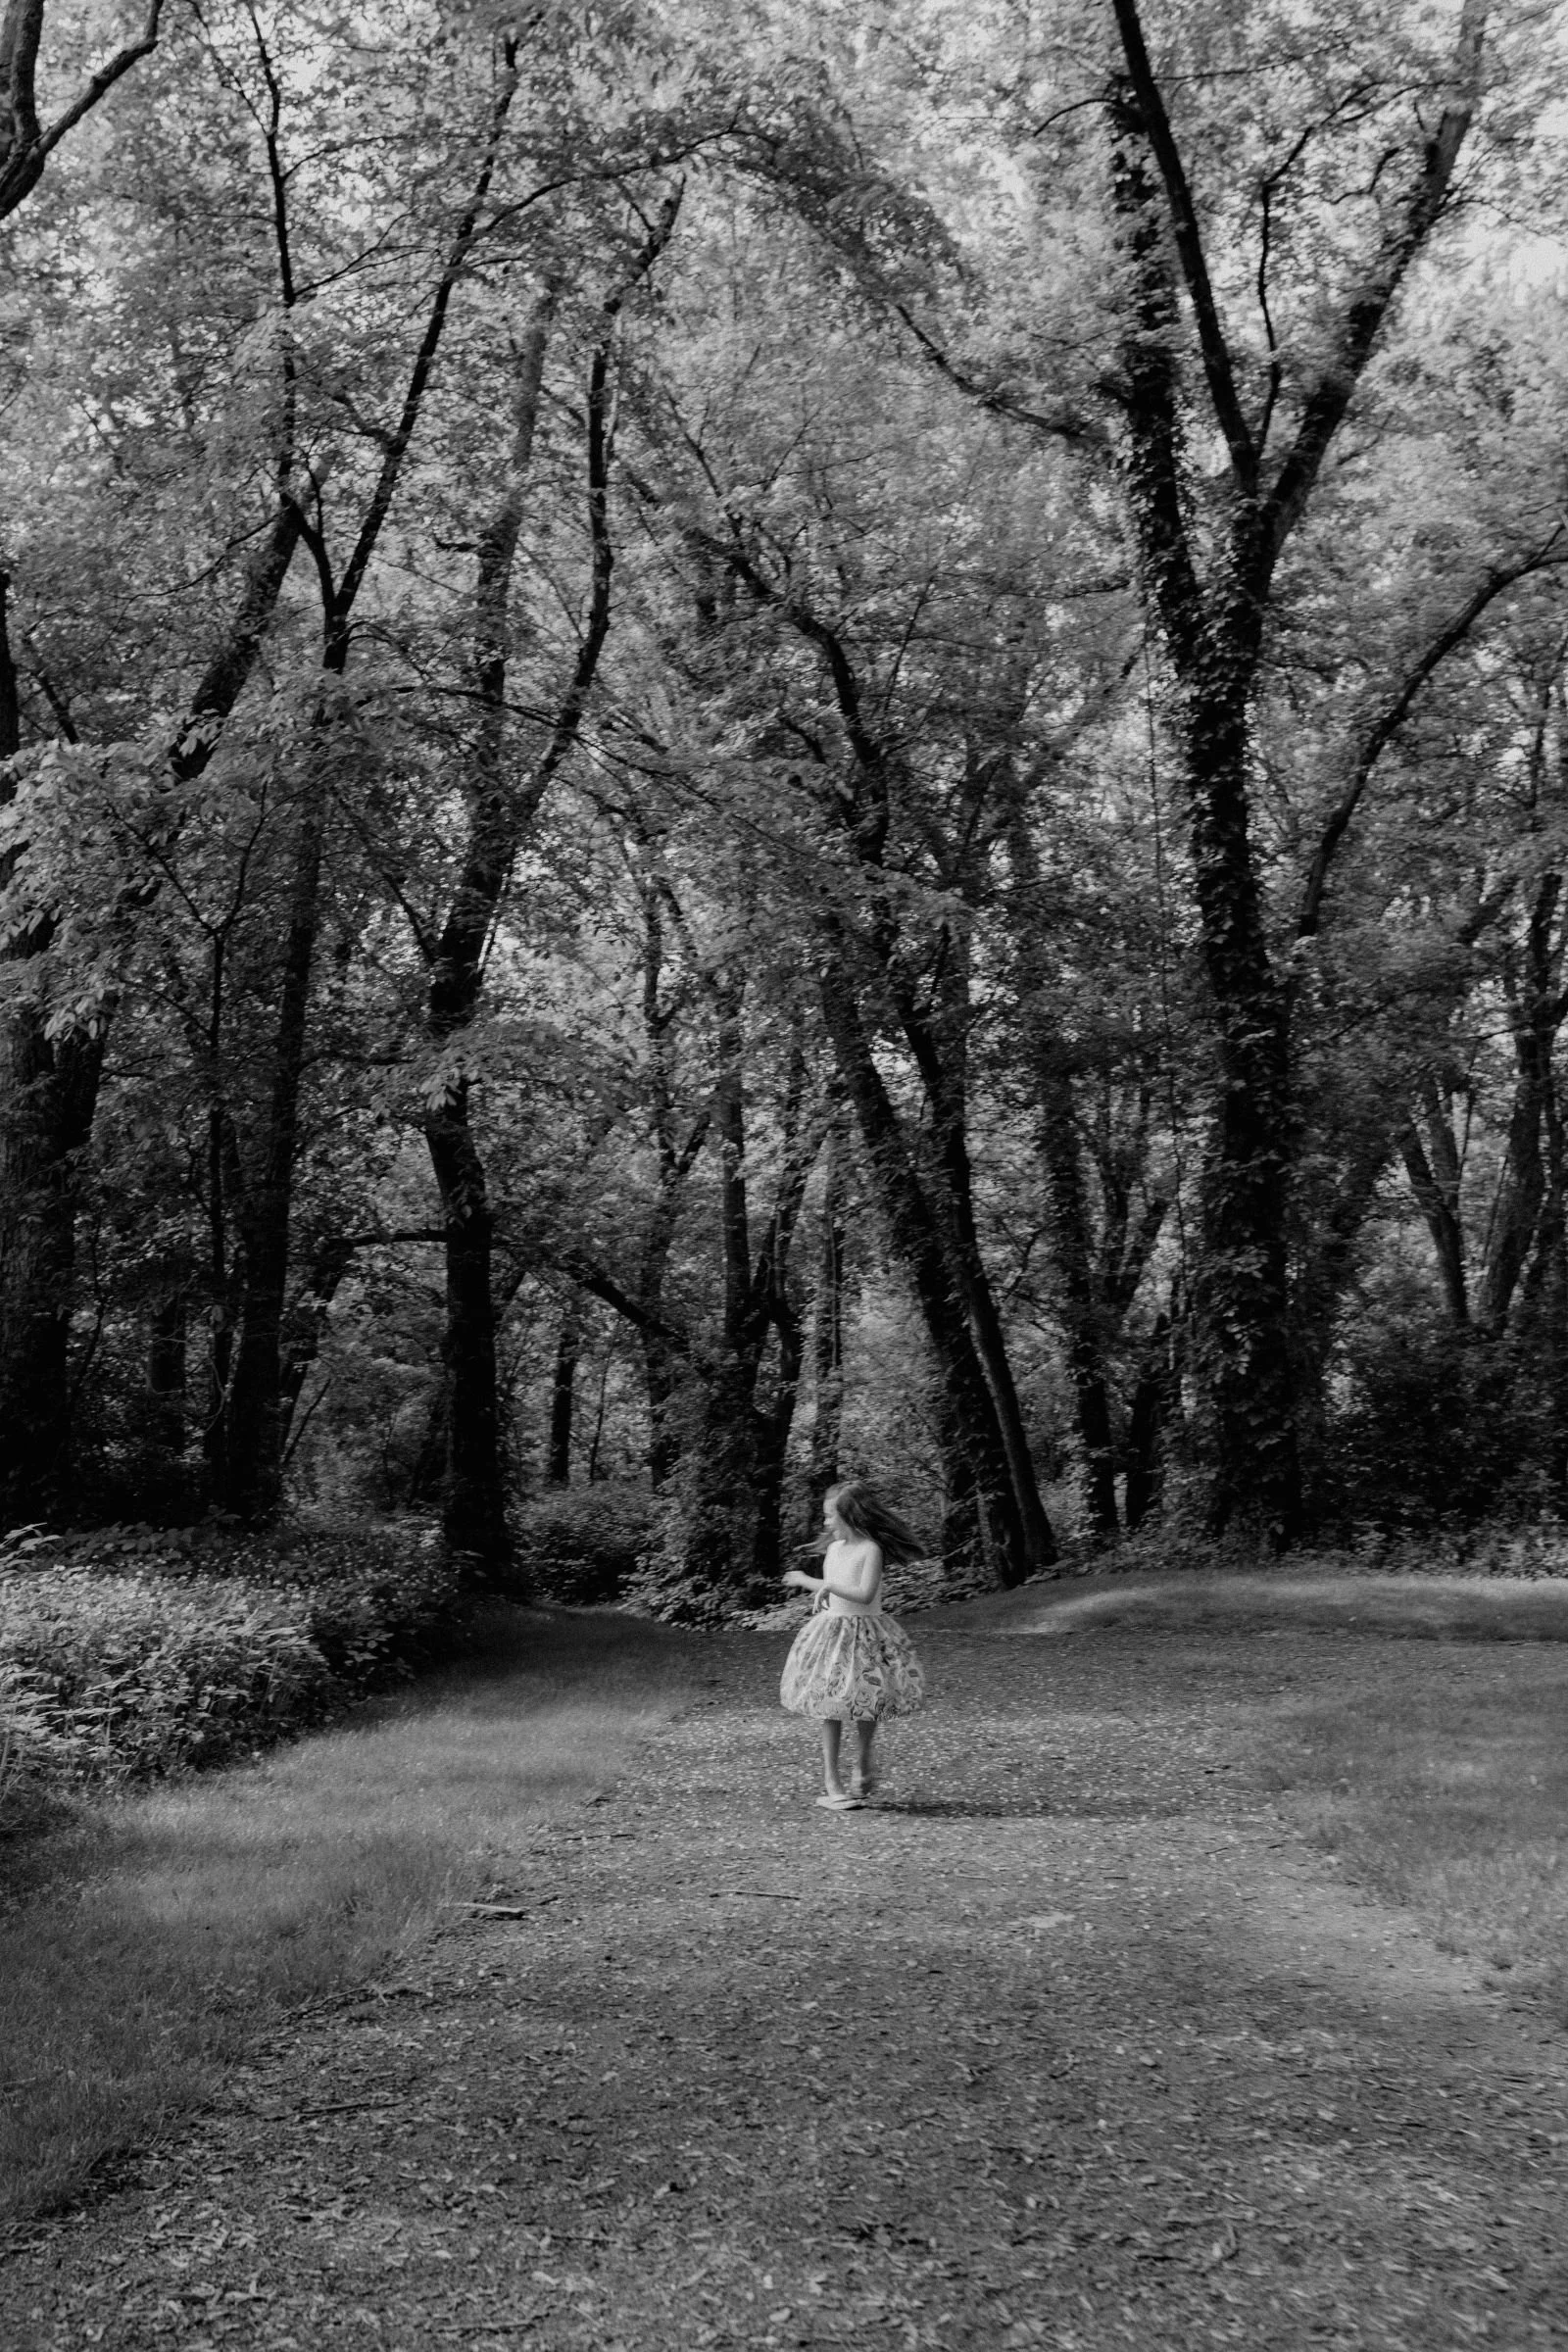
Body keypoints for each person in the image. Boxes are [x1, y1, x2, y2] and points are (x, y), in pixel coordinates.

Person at [779, 1478, 927, 1809]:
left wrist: (818, 1584)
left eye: (831, 1516)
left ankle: (862, 1762)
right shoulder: (834, 1549)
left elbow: (863, 1594)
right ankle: (831, 1780)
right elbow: (834, 1591)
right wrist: (819, 1592)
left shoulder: (870, 1549)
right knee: (829, 1705)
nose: (826, 1523)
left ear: (851, 1516)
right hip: (833, 1635)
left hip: (867, 1634)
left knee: (866, 1698)